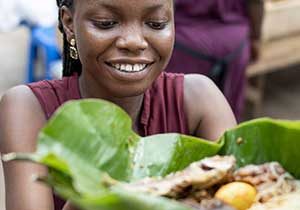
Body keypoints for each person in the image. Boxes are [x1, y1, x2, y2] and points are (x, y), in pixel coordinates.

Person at [0, 0, 236, 210]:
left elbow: (246, 194)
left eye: (156, 23)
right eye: (106, 23)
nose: (134, 42)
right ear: (69, 24)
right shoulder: (29, 109)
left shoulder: (200, 100)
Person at [166, 0, 264, 120]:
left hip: (185, 45)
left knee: (177, 107)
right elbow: (256, 3)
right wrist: (256, 39)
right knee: (227, 110)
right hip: (233, 44)